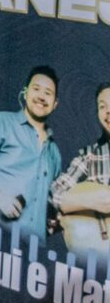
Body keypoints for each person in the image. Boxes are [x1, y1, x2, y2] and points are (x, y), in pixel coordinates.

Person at [0, 65, 62, 243]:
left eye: (48, 93)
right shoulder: (0, 122)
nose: (41, 96)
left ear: (55, 104)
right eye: (36, 89)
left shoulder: (54, 153)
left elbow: (51, 204)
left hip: (29, 255)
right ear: (25, 93)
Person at [51, 82, 110, 257]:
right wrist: (95, 200)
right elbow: (53, 195)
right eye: (102, 106)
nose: (108, 111)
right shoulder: (90, 156)